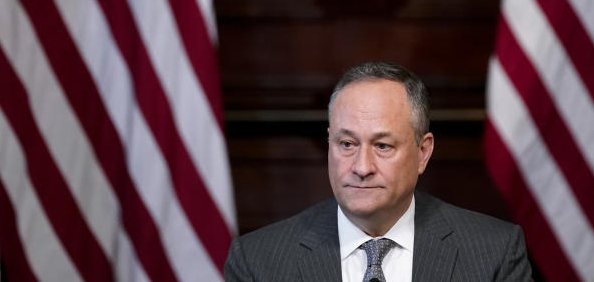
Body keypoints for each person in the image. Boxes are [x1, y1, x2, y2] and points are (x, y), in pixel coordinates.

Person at [224, 61, 533, 281]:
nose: (361, 167)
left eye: (383, 146)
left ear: (423, 152)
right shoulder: (258, 262)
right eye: (347, 144)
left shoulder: (494, 253)